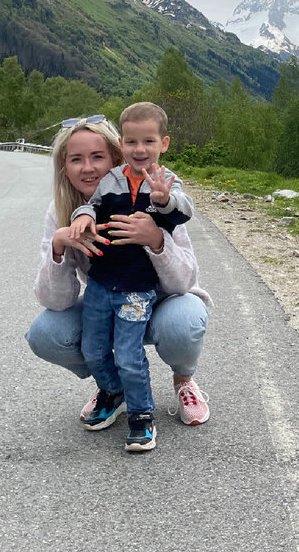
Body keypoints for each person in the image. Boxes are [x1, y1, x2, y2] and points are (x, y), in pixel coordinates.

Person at [25, 113, 211, 452]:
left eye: (97, 157)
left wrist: (156, 240)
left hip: (161, 299)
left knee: (183, 322)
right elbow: (56, 301)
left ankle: (183, 379)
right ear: (63, 167)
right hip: (107, 297)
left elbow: (184, 280)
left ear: (115, 157)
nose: (87, 168)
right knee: (45, 333)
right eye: (76, 159)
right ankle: (112, 387)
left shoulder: (156, 194)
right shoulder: (63, 210)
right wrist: (59, 246)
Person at [61, 102, 194, 452]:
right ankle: (113, 391)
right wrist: (82, 216)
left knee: (129, 355)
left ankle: (141, 416)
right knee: (92, 349)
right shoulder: (111, 181)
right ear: (122, 143)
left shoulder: (167, 182)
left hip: (136, 290)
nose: (139, 150)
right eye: (132, 142)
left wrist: (164, 201)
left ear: (163, 144)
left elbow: (184, 210)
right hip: (101, 285)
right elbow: (92, 204)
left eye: (148, 141)